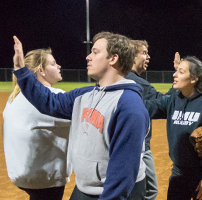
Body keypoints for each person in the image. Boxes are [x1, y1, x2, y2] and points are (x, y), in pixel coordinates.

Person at [12, 32, 148, 200]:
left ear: (113, 58)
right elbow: (49, 102)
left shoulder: (129, 106)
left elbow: (124, 170)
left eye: (95, 52)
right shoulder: (85, 95)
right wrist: (22, 71)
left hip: (114, 193)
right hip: (85, 188)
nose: (88, 57)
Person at [144, 56, 202, 200]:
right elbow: (150, 108)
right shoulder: (173, 100)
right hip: (178, 173)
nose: (174, 74)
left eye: (180, 72)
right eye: (176, 71)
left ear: (194, 79)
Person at [3, 48, 71, 200]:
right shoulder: (54, 96)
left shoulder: (14, 97)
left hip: (20, 173)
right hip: (44, 178)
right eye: (53, 64)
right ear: (41, 70)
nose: (59, 66)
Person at [124, 39, 160, 200]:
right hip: (139, 147)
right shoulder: (140, 84)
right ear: (132, 56)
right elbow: (166, 105)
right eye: (144, 53)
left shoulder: (117, 77)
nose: (148, 57)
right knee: (150, 190)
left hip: (118, 146)